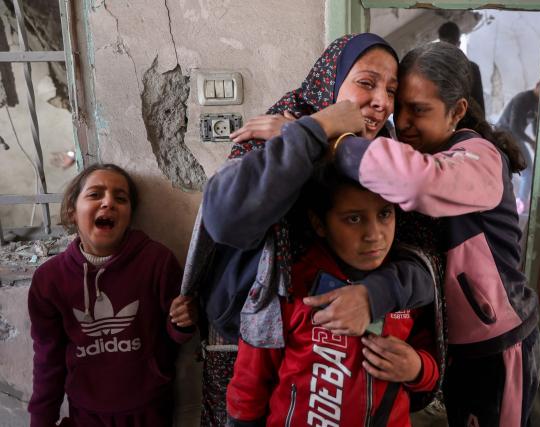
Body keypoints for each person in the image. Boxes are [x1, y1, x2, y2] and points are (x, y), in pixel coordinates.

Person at [192, 33, 444, 425]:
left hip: (355, 359)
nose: (382, 102)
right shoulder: (284, 129)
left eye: (391, 90)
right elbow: (225, 219)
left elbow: (426, 265)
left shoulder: (390, 159)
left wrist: (376, 295)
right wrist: (315, 129)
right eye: (366, 83)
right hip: (252, 345)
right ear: (330, 83)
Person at [307, 41, 540, 427]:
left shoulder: (479, 155)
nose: (405, 122)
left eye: (419, 110)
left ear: (457, 111)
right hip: (459, 344)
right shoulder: (425, 150)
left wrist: (335, 139)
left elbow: (418, 184)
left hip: (499, 343)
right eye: (401, 110)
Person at [225, 165, 439, 426]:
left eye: (385, 214)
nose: (374, 235)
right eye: (354, 219)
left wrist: (417, 368)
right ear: (319, 224)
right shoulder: (291, 285)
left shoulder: (408, 286)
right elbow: (251, 378)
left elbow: (432, 361)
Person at [28, 163, 197, 427]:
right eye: (95, 194)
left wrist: (183, 321)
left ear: (130, 215)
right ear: (72, 212)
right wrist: (41, 420)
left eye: (121, 198)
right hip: (86, 414)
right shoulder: (49, 279)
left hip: (150, 411)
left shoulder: (156, 261)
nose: (108, 203)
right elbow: (48, 360)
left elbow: (174, 336)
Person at [496, 81, 540, 214]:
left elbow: (535, 125)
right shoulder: (522, 99)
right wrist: (531, 142)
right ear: (537, 86)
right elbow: (514, 128)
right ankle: (520, 203)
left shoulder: (539, 102)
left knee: (521, 171)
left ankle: (519, 201)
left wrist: (537, 140)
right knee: (527, 170)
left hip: (512, 136)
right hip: (504, 134)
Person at [438, 21, 486, 116]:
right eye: (444, 46)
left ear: (458, 44)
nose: (446, 51)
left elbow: (479, 107)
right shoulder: (436, 69)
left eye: (449, 45)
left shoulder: (471, 69)